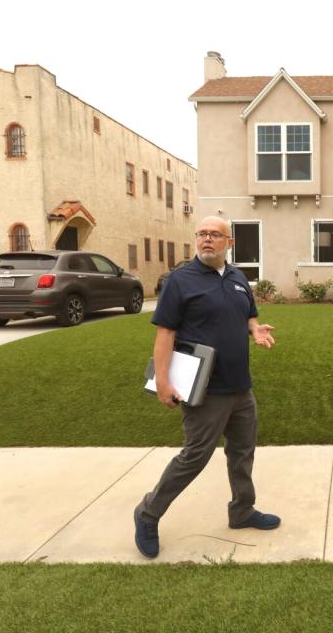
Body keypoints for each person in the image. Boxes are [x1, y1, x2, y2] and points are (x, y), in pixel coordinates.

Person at [133, 216, 278, 559]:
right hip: (205, 390)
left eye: (215, 234)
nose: (207, 239)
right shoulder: (180, 281)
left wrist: (254, 330)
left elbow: (248, 315)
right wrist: (164, 381)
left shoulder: (238, 277)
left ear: (229, 243)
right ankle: (148, 513)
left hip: (241, 387)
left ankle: (242, 511)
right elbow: (165, 334)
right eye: (202, 234)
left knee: (242, 452)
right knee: (194, 456)